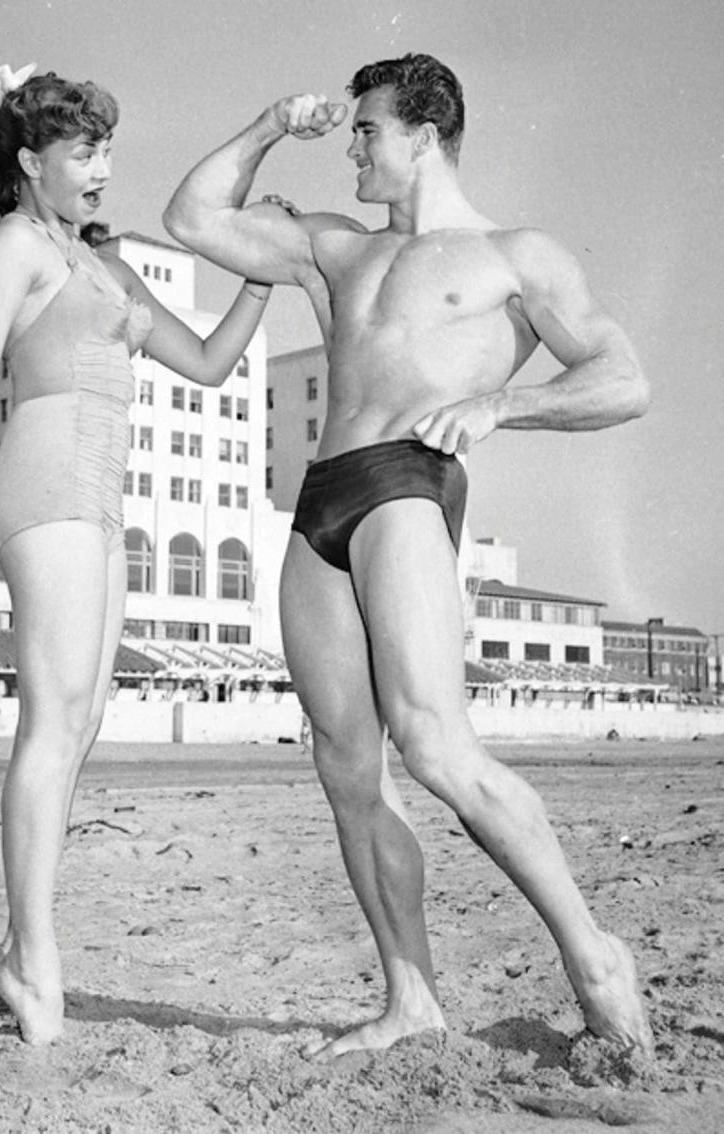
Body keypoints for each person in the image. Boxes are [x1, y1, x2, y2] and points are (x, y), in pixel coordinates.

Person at [164, 53, 653, 1059]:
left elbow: (622, 378)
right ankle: (412, 997)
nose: (351, 147)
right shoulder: (337, 252)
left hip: (407, 481)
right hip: (320, 503)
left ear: (424, 135)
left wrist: (505, 401)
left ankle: (594, 952)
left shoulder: (514, 255)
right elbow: (192, 219)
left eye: (366, 130)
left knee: (433, 745)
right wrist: (266, 126)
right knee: (346, 767)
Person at [0, 63, 273, 1045]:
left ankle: (15, 948)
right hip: (44, 480)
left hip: (102, 494)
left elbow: (212, 362)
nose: (103, 168)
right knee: (52, 723)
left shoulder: (107, 263)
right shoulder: (11, 245)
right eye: (84, 152)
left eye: (107, 150)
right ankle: (37, 967)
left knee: (80, 721)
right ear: (29, 161)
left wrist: (261, 275)